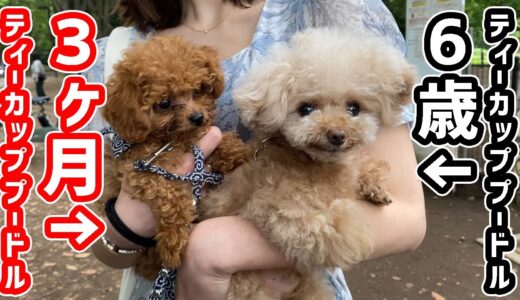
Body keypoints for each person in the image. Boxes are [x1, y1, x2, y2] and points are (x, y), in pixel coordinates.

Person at [85, 0, 426, 299]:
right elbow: (102, 245)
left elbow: (406, 215)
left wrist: (212, 249)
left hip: (298, 281)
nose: (193, 111)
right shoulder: (111, 55)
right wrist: (126, 223)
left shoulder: (330, 9)